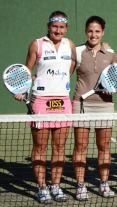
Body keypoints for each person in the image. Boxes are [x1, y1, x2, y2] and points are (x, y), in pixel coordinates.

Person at [14, 11, 75, 204]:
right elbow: (27, 71)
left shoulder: (70, 45)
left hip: (63, 101)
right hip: (41, 101)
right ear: (49, 26)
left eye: (62, 27)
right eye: (55, 26)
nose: (58, 30)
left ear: (66, 29)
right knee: (40, 147)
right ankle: (42, 188)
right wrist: (21, 90)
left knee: (59, 147)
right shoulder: (37, 44)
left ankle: (55, 187)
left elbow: (71, 68)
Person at [71, 16, 117, 200]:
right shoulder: (77, 51)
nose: (93, 34)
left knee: (104, 146)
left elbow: (116, 78)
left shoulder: (111, 53)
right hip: (81, 105)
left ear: (103, 32)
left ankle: (104, 184)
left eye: (97, 31)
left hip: (105, 106)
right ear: (85, 31)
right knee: (80, 146)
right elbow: (65, 75)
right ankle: (80, 185)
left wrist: (111, 89)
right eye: (90, 31)